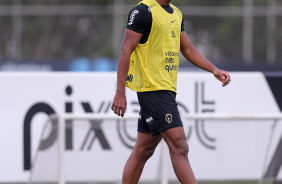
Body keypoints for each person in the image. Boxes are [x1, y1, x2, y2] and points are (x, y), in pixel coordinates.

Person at [111, 0, 231, 183]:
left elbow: (187, 48)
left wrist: (214, 69)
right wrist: (120, 92)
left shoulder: (175, 12)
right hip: (153, 90)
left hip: (165, 90)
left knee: (144, 150)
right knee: (180, 145)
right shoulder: (143, 11)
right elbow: (125, 49)